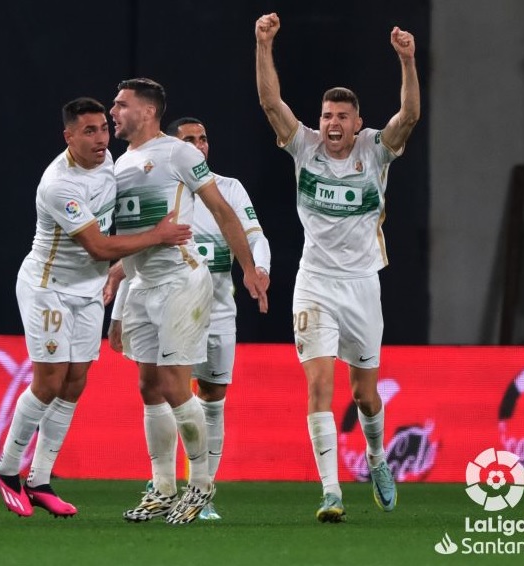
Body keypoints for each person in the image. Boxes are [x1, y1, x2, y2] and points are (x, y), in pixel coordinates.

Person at [0, 97, 192, 518]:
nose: (101, 138)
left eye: (103, 128)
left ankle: (40, 479)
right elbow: (99, 247)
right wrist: (158, 235)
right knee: (49, 380)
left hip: (87, 290)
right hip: (48, 288)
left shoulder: (107, 162)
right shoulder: (59, 184)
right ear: (69, 137)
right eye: (89, 131)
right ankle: (7, 470)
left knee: (76, 380)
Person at [255, 13, 420, 523]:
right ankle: (330, 492)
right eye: (326, 115)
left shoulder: (375, 150)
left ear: (356, 121)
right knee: (319, 386)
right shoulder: (304, 147)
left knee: (365, 394)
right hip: (315, 285)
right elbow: (269, 102)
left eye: (341, 117)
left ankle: (375, 458)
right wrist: (263, 44)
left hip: (362, 286)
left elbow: (409, 116)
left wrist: (407, 60)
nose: (331, 124)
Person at [109, 78, 268, 525]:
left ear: (147, 111)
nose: (113, 111)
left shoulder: (179, 154)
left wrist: (249, 268)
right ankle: (162, 486)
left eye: (121, 104)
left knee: (178, 387)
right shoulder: (124, 162)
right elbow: (128, 241)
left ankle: (200, 485)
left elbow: (222, 210)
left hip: (182, 281)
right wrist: (118, 298)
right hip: (142, 286)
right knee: (148, 388)